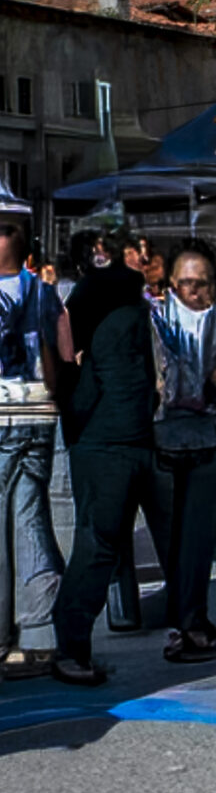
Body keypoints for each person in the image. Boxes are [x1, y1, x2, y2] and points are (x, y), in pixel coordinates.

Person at [50, 253, 160, 685]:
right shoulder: (126, 315)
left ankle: (73, 643)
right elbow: (141, 382)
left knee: (99, 542)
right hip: (120, 441)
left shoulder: (90, 311)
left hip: (100, 440)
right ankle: (71, 646)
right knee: (100, 544)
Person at [143, 247, 216, 663]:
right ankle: (185, 624)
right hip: (161, 437)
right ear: (171, 284)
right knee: (171, 540)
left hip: (203, 437)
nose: (192, 291)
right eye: (184, 283)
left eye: (201, 283)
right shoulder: (153, 317)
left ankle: (191, 622)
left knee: (199, 539)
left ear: (214, 285)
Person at [0, 222, 68, 677]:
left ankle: (4, 637)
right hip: (38, 413)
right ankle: (40, 630)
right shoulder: (43, 293)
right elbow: (61, 354)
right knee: (29, 518)